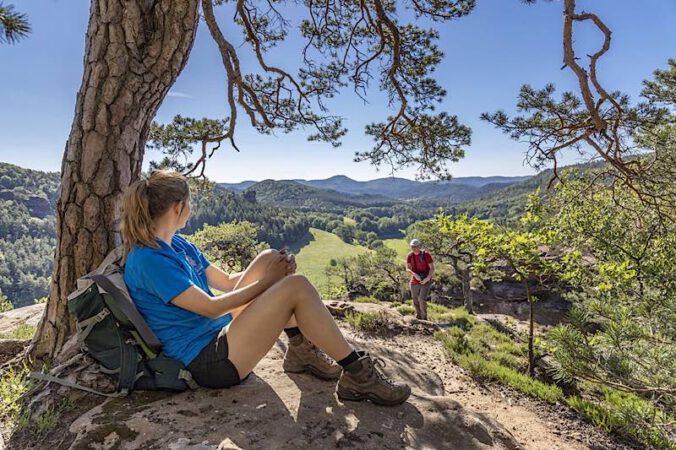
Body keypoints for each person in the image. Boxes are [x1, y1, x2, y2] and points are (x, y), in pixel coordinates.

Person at [120, 170, 410, 406]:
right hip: (207, 360)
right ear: (178, 207)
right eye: (190, 203)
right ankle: (358, 375)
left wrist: (273, 269)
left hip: (219, 335)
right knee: (294, 286)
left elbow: (228, 283)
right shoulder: (149, 259)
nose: (191, 208)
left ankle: (300, 352)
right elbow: (210, 308)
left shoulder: (179, 245)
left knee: (270, 257)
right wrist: (270, 281)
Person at [405, 239, 435, 321]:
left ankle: (424, 318)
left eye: (415, 246)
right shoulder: (410, 256)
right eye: (412, 247)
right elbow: (407, 268)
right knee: (414, 298)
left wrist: (427, 278)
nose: (414, 248)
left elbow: (432, 268)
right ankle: (418, 315)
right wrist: (414, 274)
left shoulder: (426, 255)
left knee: (421, 299)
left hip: (426, 279)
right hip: (415, 280)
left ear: (419, 246)